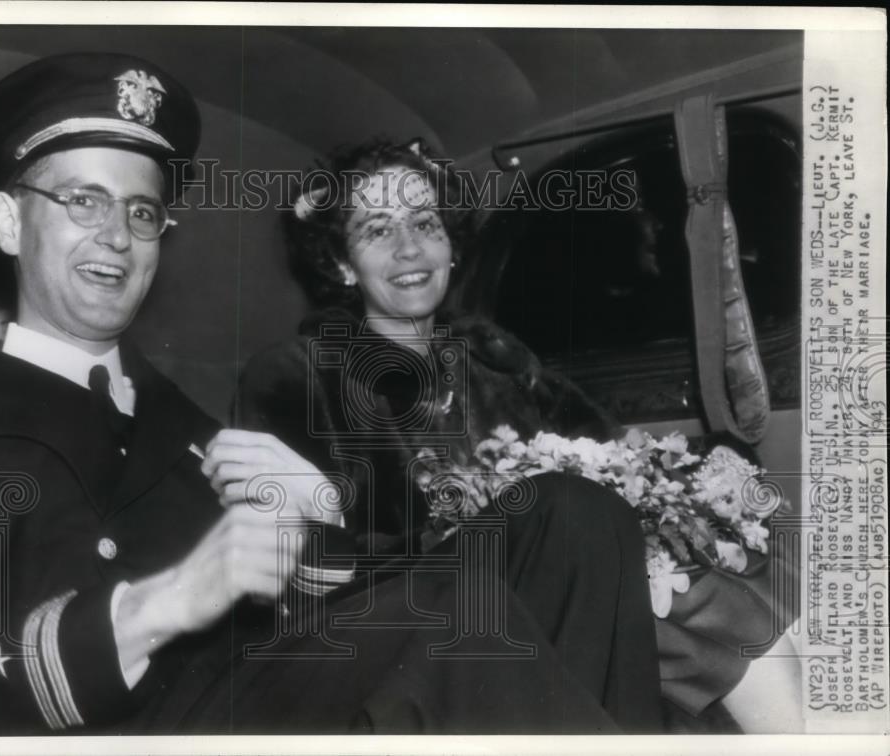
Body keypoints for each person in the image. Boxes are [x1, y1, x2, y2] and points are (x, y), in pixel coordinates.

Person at [0, 55, 656, 736]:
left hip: (250, 701)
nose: (118, 236)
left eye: (141, 211)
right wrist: (153, 608)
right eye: (82, 203)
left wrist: (319, 519)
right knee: (456, 618)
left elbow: (310, 633)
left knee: (574, 517)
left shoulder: (190, 427)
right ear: (6, 222)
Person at [234, 137, 796, 732]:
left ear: (449, 244)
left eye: (425, 222)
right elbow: (311, 571)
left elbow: (613, 452)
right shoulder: (299, 375)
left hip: (568, 583)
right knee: (679, 598)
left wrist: (701, 480)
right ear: (343, 264)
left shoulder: (498, 359)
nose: (409, 248)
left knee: (735, 556)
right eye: (377, 230)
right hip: (431, 617)